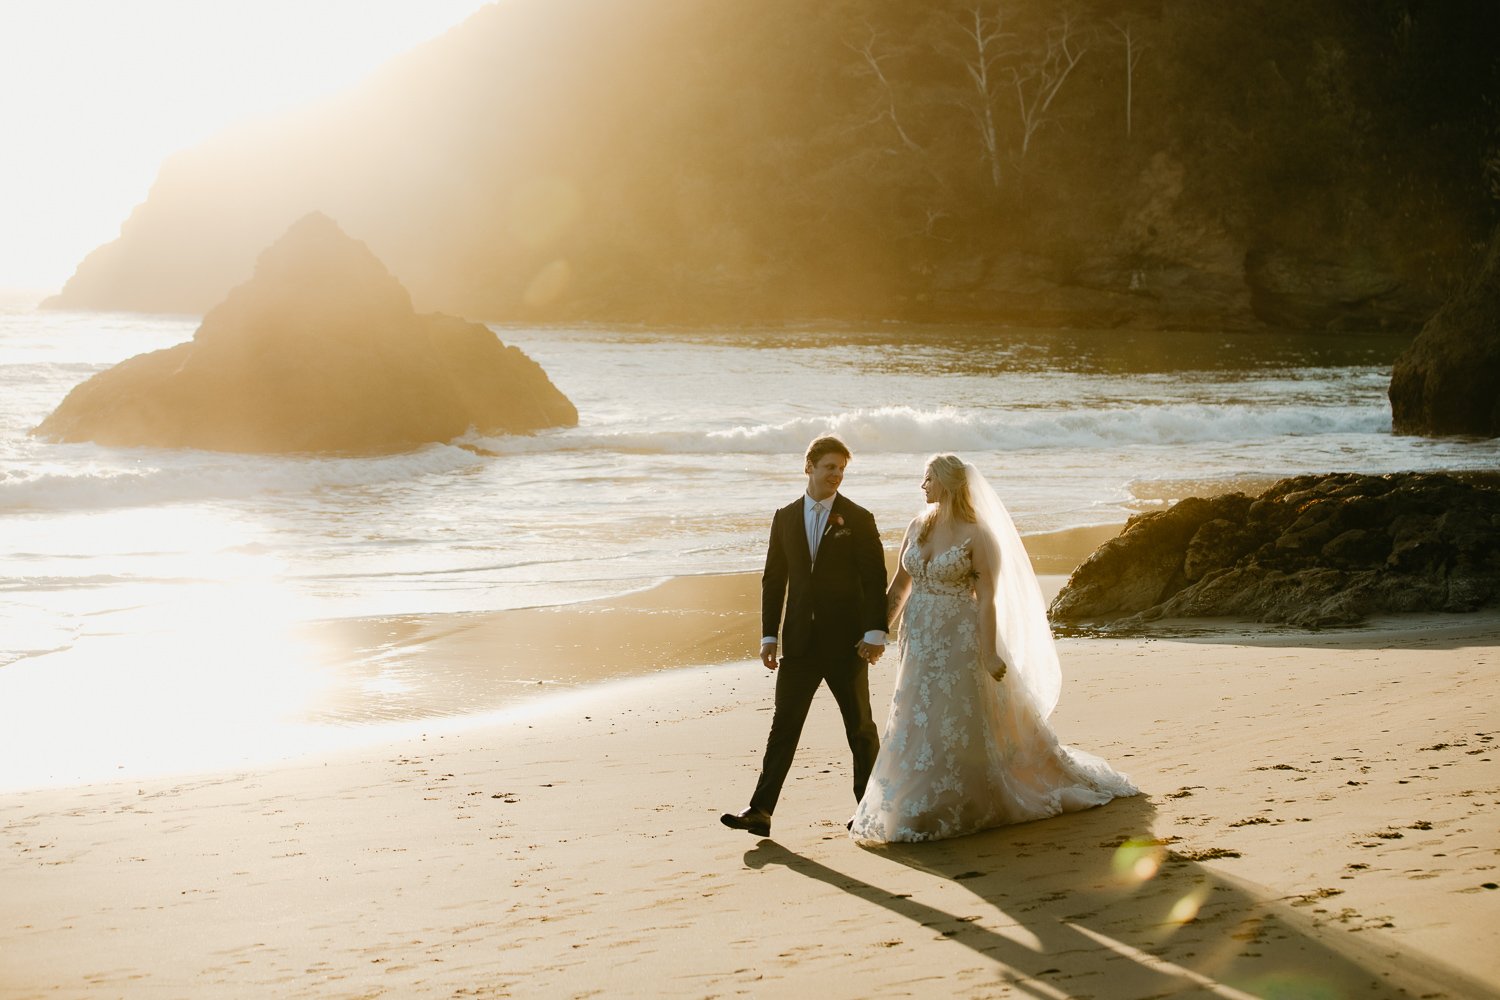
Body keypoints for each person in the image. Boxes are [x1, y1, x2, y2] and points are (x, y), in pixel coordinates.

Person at [849, 454, 1137, 844]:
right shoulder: (917, 526)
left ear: (948, 484)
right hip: (919, 640)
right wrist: (878, 632)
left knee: (954, 715)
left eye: (928, 478)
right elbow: (901, 585)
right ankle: (911, 797)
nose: (923, 486)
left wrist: (988, 652)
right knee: (916, 713)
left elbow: (987, 599)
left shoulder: (978, 535)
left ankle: (965, 795)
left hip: (960, 637)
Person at [721, 435, 889, 838]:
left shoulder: (858, 518)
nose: (836, 475)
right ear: (809, 467)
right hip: (798, 643)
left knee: (860, 728)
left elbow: (874, 577)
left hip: (847, 642)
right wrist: (768, 636)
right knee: (784, 727)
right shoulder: (784, 517)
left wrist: (875, 631)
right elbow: (773, 580)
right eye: (830, 467)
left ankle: (869, 810)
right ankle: (760, 811)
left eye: (842, 469)